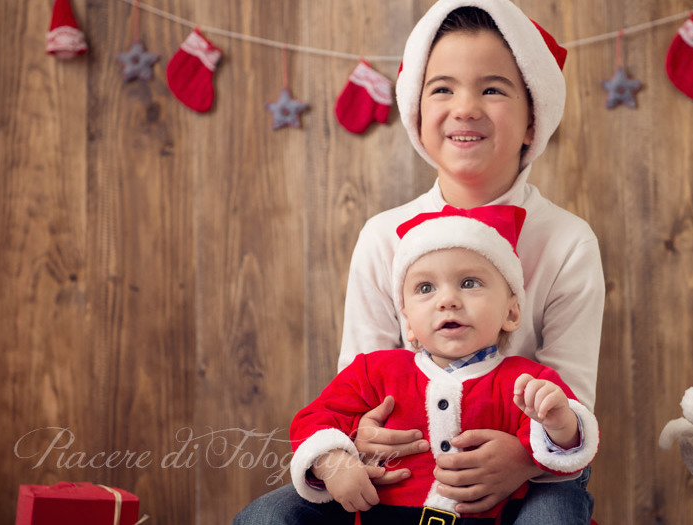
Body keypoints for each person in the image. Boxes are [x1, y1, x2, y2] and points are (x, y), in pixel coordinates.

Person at [233, 0, 605, 522]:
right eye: (443, 88)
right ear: (416, 113)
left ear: (531, 121)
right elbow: (354, 385)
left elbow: (571, 400)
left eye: (493, 88)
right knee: (268, 518)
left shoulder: (568, 241)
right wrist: (354, 441)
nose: (465, 107)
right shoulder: (384, 236)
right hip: (400, 465)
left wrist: (523, 458)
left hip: (536, 466)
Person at [289, 206, 599, 524]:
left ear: (511, 313)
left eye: (469, 283)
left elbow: (567, 452)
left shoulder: (526, 381)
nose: (447, 300)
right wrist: (332, 460)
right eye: (426, 288)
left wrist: (560, 423)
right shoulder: (374, 372)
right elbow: (314, 419)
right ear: (407, 322)